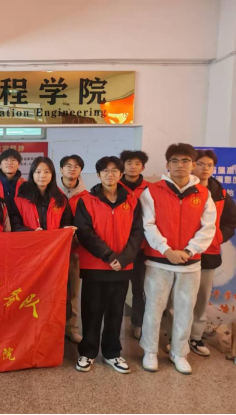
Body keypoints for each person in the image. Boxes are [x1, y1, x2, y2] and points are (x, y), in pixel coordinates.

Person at [139, 143, 216, 375]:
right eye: (175, 160)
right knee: (153, 308)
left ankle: (179, 353)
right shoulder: (152, 191)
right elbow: (148, 224)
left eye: (185, 161)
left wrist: (190, 251)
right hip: (158, 261)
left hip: (190, 264)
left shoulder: (204, 194)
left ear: (193, 165)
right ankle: (150, 351)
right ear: (167, 164)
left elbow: (208, 227)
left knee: (185, 310)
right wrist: (166, 250)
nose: (180, 165)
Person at [74, 156, 144, 374]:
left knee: (115, 312)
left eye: (114, 171)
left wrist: (123, 259)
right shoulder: (86, 201)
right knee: (91, 311)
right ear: (98, 175)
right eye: (105, 171)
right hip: (94, 266)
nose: (110, 174)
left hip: (121, 268)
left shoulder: (132, 201)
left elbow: (137, 233)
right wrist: (107, 255)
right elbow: (84, 232)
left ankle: (112, 353)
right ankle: (88, 352)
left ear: (121, 174)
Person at [164, 149, 236, 357]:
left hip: (208, 254)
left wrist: (218, 237)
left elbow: (231, 221)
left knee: (201, 298)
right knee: (177, 298)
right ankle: (174, 337)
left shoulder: (220, 193)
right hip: (182, 253)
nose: (205, 169)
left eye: (210, 165)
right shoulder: (183, 189)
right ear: (193, 165)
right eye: (201, 164)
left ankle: (195, 337)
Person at [119, 150, 150, 341]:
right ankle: (113, 325)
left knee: (140, 288)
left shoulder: (151, 189)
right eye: (129, 163)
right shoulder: (114, 186)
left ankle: (138, 323)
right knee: (118, 288)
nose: (132, 167)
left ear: (143, 167)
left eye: (137, 163)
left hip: (143, 247)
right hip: (119, 247)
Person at [58, 154, 89, 344]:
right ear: (61, 169)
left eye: (76, 166)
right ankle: (54, 327)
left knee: (74, 291)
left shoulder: (87, 197)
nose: (72, 169)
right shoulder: (52, 193)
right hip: (54, 252)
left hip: (76, 251)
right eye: (68, 166)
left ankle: (72, 328)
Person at [12, 157, 73, 232]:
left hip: (53, 239)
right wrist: (32, 231)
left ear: (52, 175)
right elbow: (15, 225)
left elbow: (66, 223)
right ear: (32, 174)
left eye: (47, 172)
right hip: (30, 238)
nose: (42, 175)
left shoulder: (60, 198)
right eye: (38, 172)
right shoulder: (21, 197)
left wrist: (66, 228)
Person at [0, 149, 26, 216]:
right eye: (6, 160)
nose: (9, 163)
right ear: (0, 164)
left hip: (21, 221)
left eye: (13, 160)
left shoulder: (26, 185)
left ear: (18, 165)